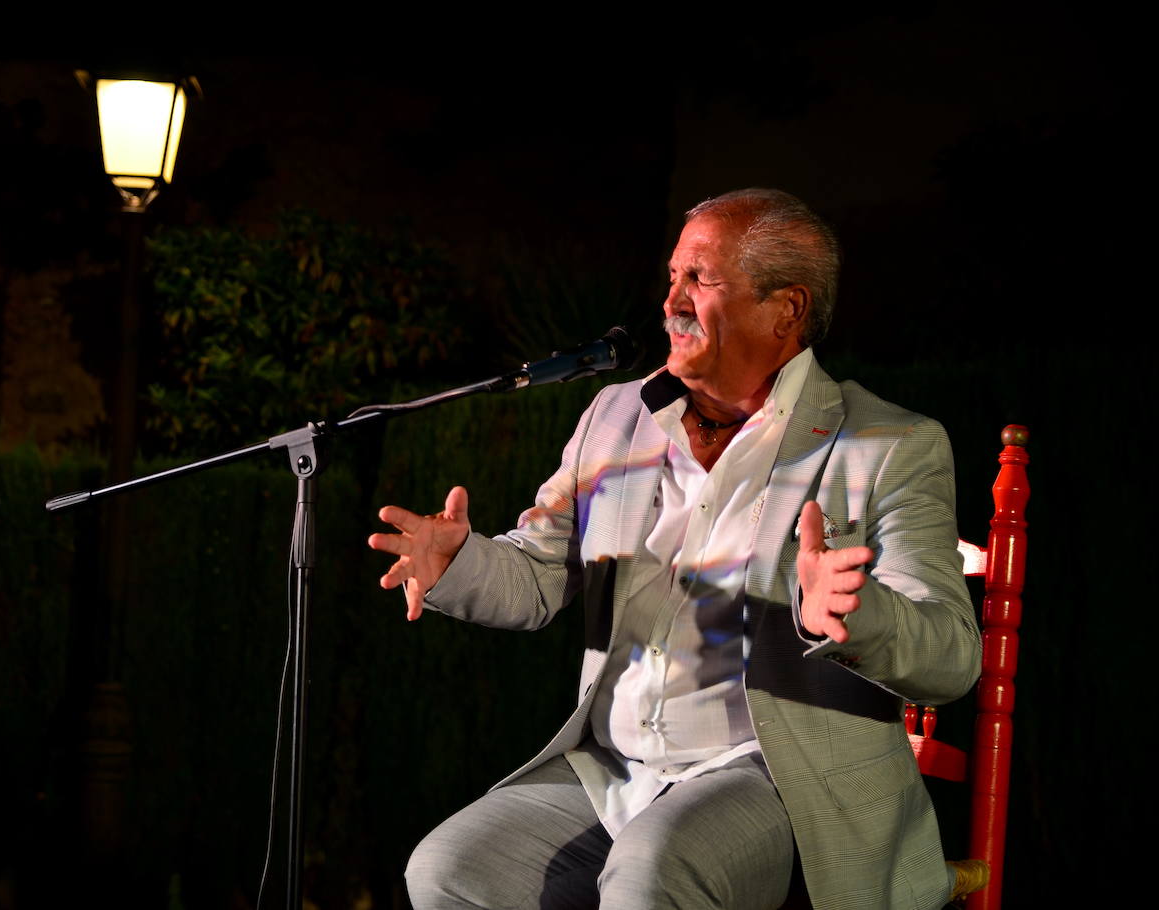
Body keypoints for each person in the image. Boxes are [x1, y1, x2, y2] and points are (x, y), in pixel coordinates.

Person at [368, 188, 980, 910]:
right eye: (672, 277)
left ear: (786, 309)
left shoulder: (886, 446)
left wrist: (857, 614)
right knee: (449, 870)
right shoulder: (615, 416)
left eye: (700, 278)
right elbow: (538, 573)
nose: (670, 302)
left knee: (651, 874)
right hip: (614, 771)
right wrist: (461, 564)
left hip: (779, 778)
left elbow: (951, 655)